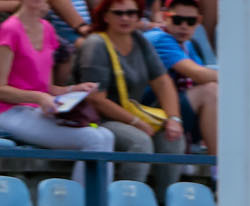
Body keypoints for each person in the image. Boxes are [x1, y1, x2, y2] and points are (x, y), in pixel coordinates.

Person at [0, 0, 118, 165]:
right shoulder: (10, 29)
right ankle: (87, 191)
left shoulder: (47, 29)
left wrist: (74, 89)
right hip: (10, 112)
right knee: (94, 139)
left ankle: (94, 190)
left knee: (106, 136)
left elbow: (47, 88)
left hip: (39, 110)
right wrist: (38, 97)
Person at [74, 0, 189, 182]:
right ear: (105, 16)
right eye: (118, 13)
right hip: (95, 120)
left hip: (129, 116)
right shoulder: (96, 44)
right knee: (139, 142)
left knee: (174, 138)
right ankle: (129, 201)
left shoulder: (139, 40)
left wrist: (174, 119)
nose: (125, 18)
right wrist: (135, 121)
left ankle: (164, 204)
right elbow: (97, 100)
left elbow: (163, 82)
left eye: (131, 13)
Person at [147, 2, 221, 151]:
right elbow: (198, 75)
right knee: (210, 92)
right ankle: (220, 166)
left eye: (191, 21)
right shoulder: (159, 38)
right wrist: (240, 79)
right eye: (177, 20)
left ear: (199, 21)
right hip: (151, 109)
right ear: (164, 17)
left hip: (173, 107)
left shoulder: (188, 44)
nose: (184, 26)